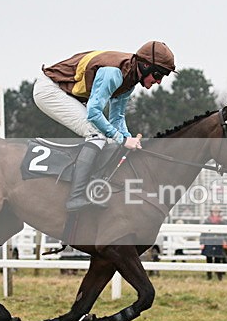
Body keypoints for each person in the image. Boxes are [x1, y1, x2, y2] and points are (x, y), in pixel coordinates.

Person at [33, 41, 176, 212]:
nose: (159, 82)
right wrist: (122, 139)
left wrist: (128, 139)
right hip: (50, 91)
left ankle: (92, 184)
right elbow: (94, 113)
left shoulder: (130, 78)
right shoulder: (114, 73)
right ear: (145, 66)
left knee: (108, 136)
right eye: (158, 75)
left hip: (67, 94)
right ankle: (76, 196)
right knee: (97, 135)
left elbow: (117, 119)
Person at [200, 208, 227, 280]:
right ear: (211, 212)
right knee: (209, 259)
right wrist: (202, 242)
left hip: (218, 241)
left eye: (217, 212)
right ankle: (209, 276)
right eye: (214, 212)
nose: (215, 213)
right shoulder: (207, 221)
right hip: (209, 241)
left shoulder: (222, 222)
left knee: (218, 259)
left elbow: (226, 233)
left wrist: (226, 241)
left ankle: (219, 276)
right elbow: (203, 233)